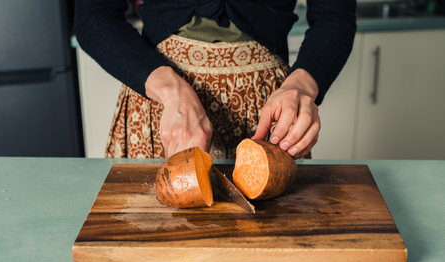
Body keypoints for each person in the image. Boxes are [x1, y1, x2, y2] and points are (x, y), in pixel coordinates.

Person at [74, 0, 357, 159]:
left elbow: (335, 18)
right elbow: (93, 16)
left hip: (268, 109)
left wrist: (302, 85)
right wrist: (171, 92)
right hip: (162, 107)